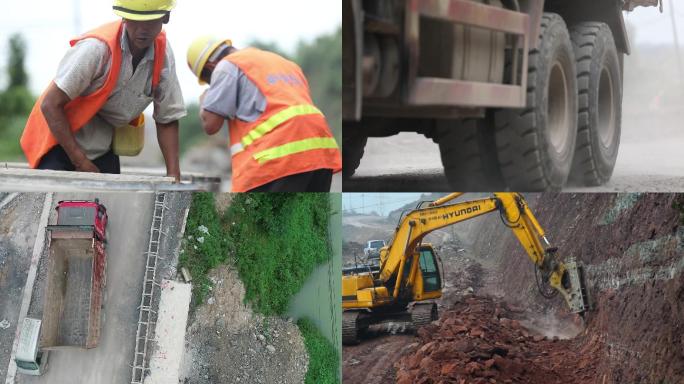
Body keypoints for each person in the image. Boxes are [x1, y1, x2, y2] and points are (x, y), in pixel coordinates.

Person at [20, 0, 185, 181]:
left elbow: (167, 119)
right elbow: (50, 104)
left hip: (101, 144)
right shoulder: (96, 50)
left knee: (109, 205)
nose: (142, 29)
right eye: (135, 20)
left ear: (165, 17)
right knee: (55, 201)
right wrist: (80, 162)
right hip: (58, 141)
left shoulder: (163, 56)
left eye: (150, 21)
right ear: (123, 17)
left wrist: (173, 177)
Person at [186, 36, 342, 192]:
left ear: (210, 65)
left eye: (209, 80)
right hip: (320, 152)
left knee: (266, 216)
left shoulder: (226, 66)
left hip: (281, 157)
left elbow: (210, 125)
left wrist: (205, 102)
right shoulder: (283, 63)